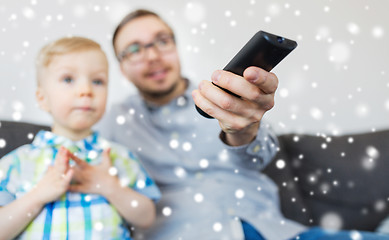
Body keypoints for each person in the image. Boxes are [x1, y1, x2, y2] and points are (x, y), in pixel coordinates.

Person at [99, 9, 389, 240]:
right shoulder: (114, 121)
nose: (152, 55)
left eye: (162, 41)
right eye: (134, 50)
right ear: (121, 67)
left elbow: (263, 154)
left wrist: (245, 130)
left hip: (274, 230)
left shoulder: (223, 94)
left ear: (175, 47)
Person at [0, 36, 160, 240]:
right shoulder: (17, 163)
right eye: (68, 79)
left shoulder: (118, 157)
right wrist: (38, 195)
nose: (86, 91)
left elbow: (146, 217)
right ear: (42, 98)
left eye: (97, 81)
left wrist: (110, 187)